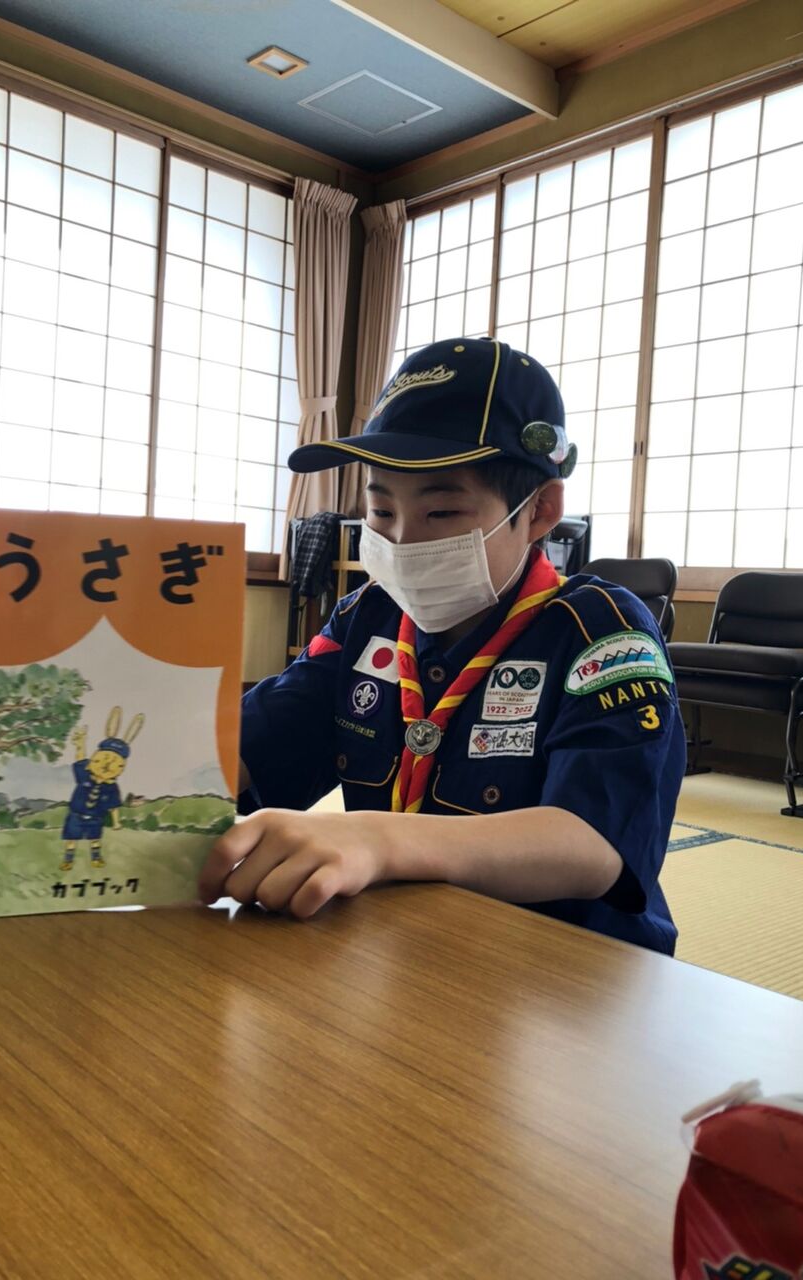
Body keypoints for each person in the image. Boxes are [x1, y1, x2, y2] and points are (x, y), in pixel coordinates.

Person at [198, 337, 685, 954]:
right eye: (381, 513)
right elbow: (257, 742)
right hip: (407, 949)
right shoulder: (367, 617)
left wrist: (376, 841)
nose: (402, 543)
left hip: (567, 966)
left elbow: (592, 844)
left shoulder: (601, 630)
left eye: (442, 514)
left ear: (540, 510)